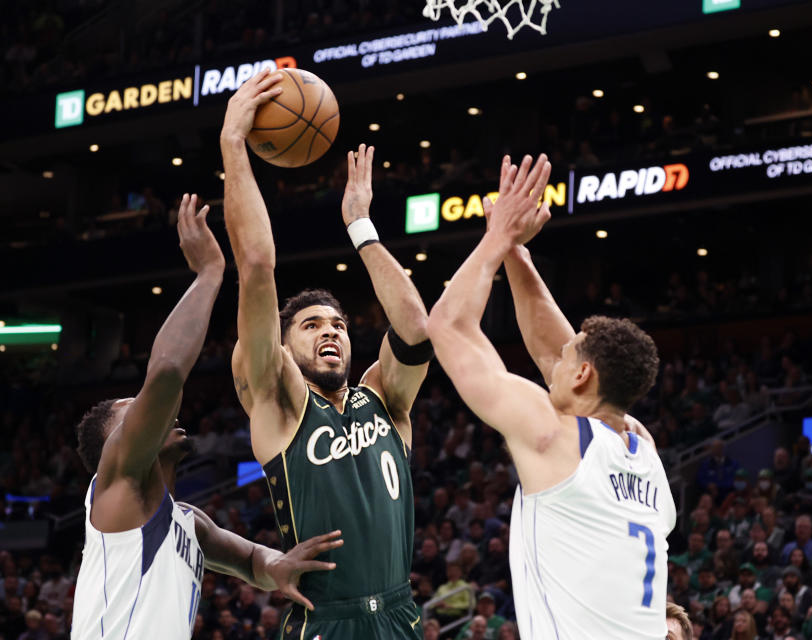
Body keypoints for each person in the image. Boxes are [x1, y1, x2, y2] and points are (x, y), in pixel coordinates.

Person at [70, 195, 341, 639]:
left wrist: (280, 566)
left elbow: (252, 562)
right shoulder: (116, 486)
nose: (147, 414)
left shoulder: (189, 521)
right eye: (132, 413)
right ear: (114, 448)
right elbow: (166, 375)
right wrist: (209, 274)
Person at [221, 72, 432, 639]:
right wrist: (233, 147)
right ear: (284, 346)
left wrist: (361, 227)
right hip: (326, 624)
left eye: (338, 324)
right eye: (311, 326)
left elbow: (416, 329)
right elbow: (258, 267)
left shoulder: (384, 400)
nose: (329, 332)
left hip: (400, 613)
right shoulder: (280, 402)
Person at [428, 153, 674, 639]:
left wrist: (496, 236)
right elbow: (552, 351)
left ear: (582, 375)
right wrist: (518, 254)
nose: (550, 365)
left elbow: (448, 326)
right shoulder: (642, 449)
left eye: (568, 361)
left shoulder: (554, 437)